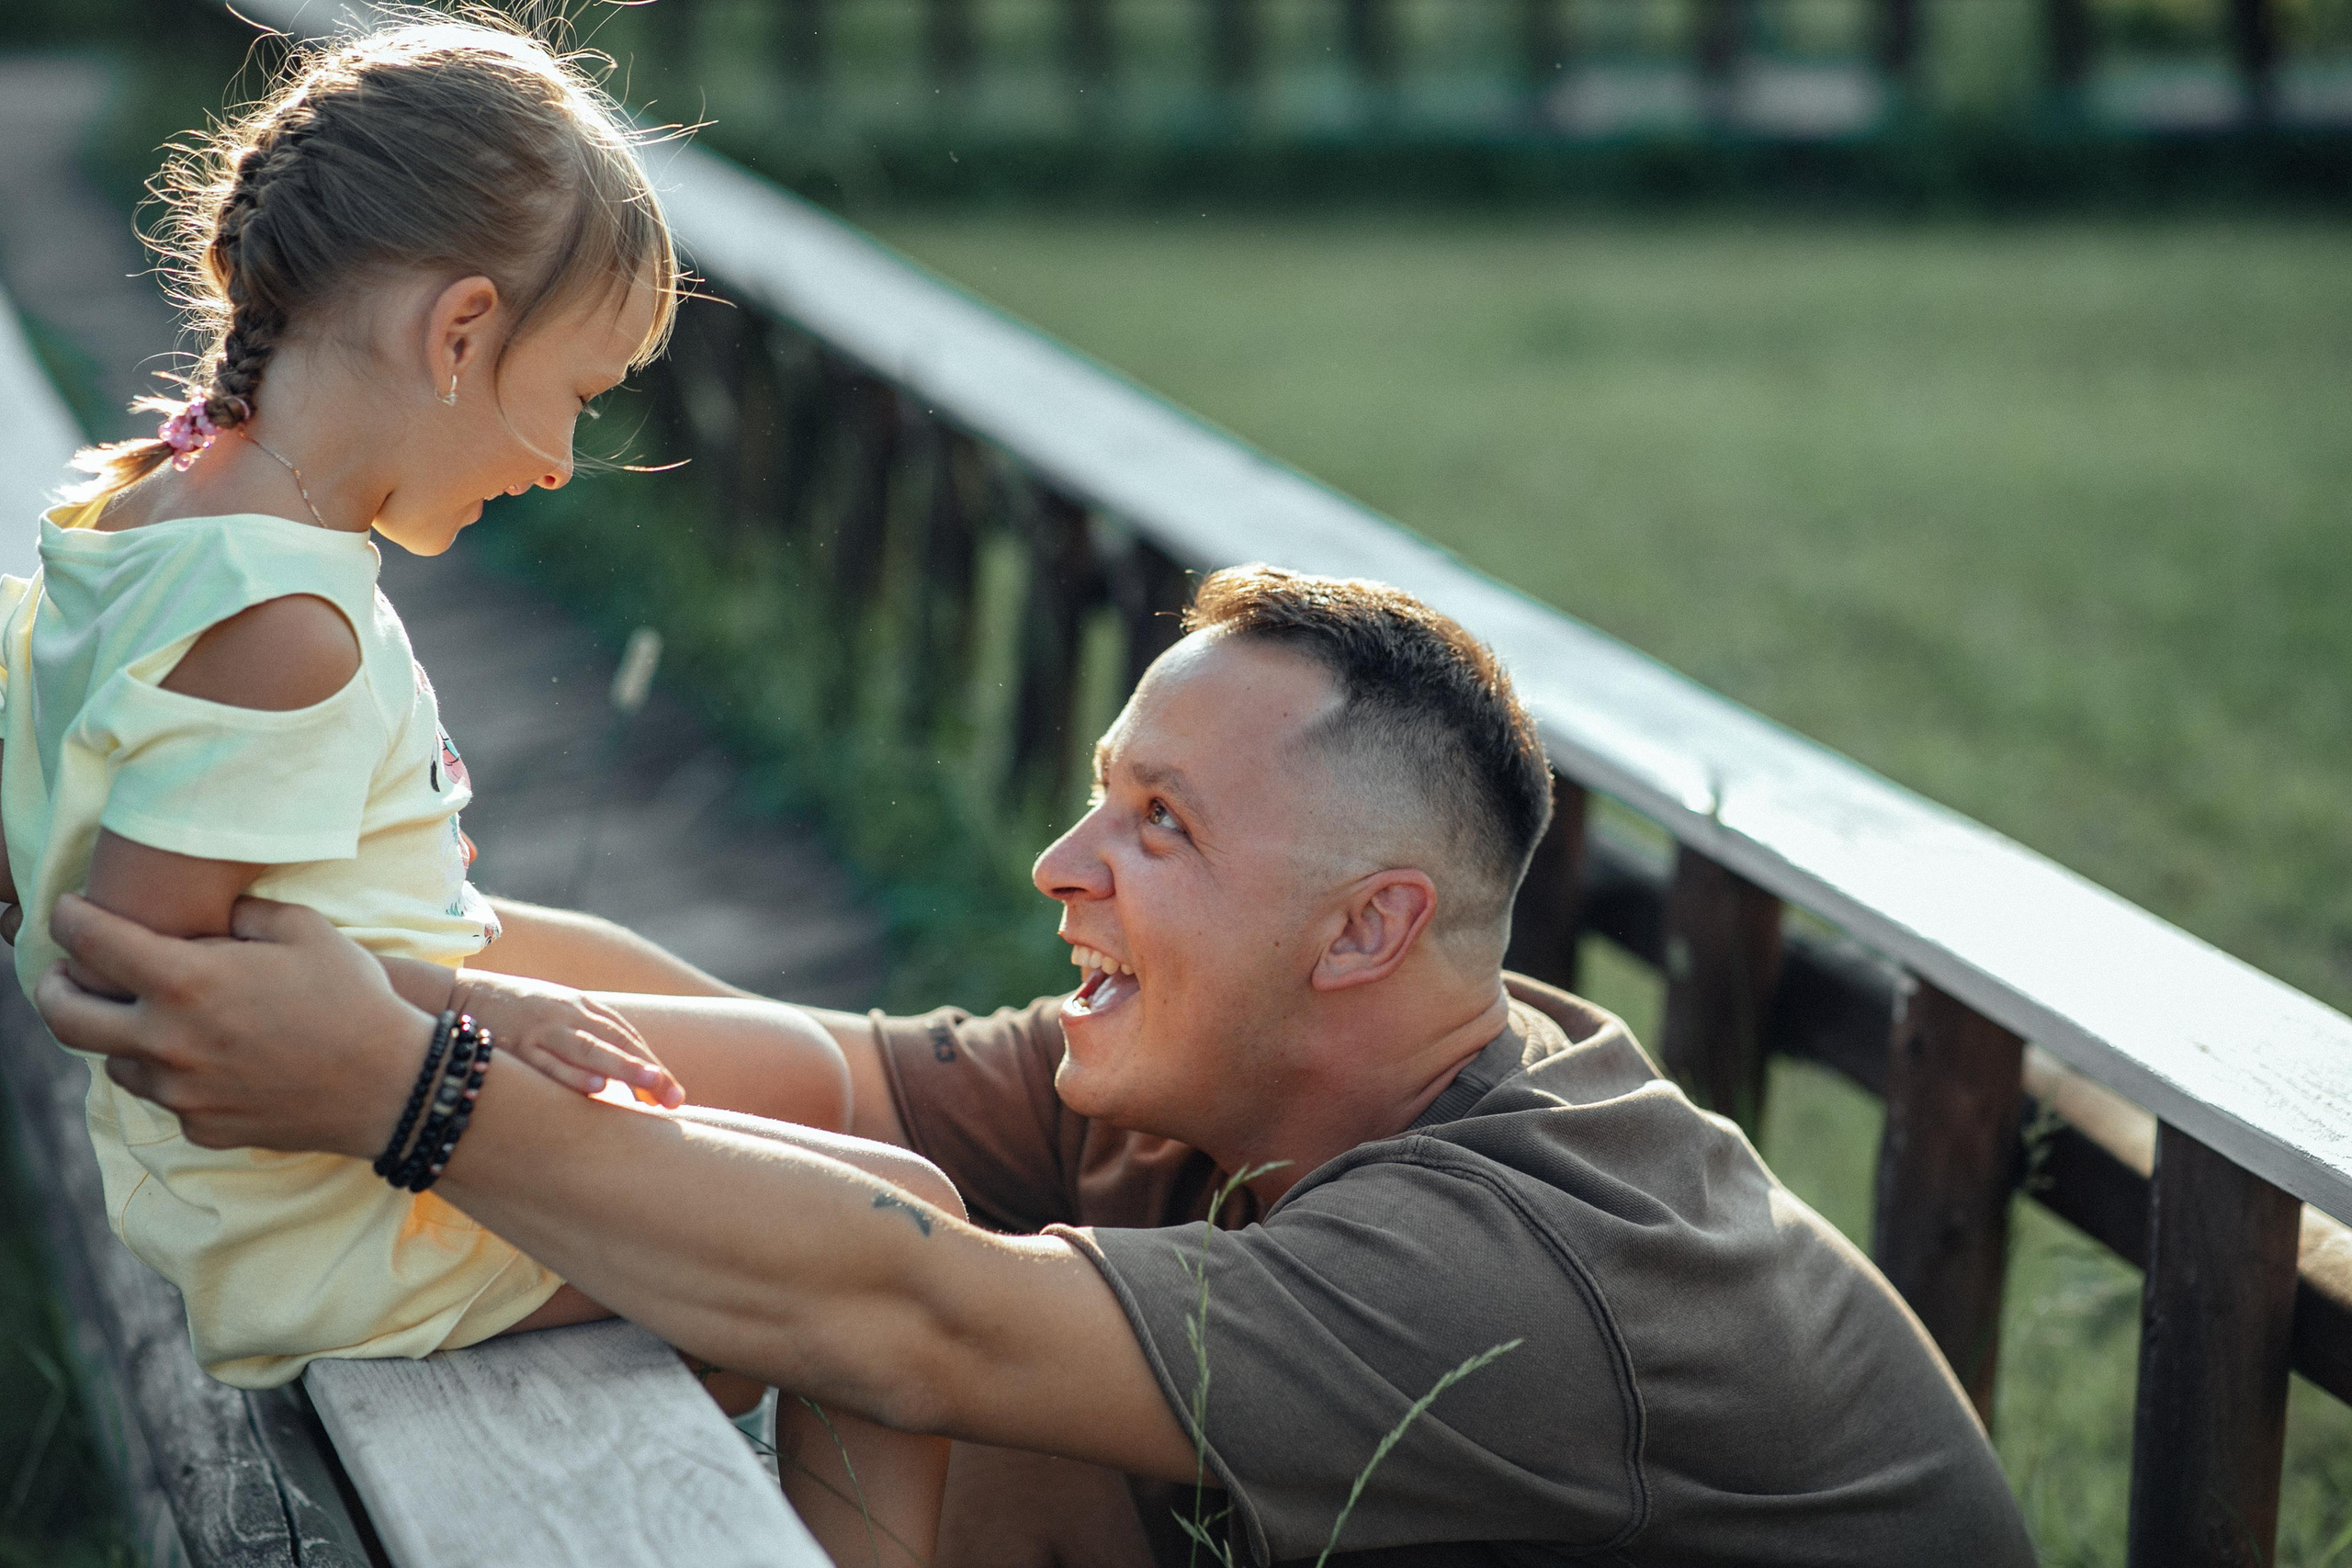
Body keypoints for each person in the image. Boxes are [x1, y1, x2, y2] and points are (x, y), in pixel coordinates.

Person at [30, 565, 2041, 1567]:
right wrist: (251, 898)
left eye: (1159, 824)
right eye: (1099, 794)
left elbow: (912, 1308)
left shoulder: (1515, 1268)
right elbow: (793, 1068)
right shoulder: (1237, 1082)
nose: (1059, 866)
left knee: (945, 1357)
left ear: (1364, 930)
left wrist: (408, 1093)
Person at [0, 18, 949, 1562]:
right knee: (903, 1233)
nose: (564, 462)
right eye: (575, 393)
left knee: (812, 1118)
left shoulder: (142, 514)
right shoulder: (277, 623)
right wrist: (473, 1007)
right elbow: (147, 975)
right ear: (457, 335)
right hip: (341, 1224)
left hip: (300, 1184)